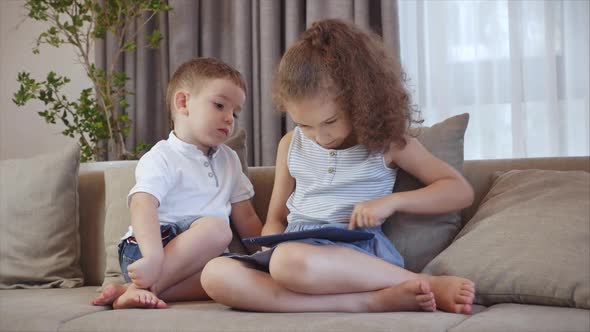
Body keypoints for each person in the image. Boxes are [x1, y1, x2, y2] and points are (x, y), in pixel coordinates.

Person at [200, 19, 476, 314]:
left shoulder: (389, 144)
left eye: (330, 122)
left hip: (352, 255)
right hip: (292, 254)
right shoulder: (289, 145)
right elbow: (277, 217)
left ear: (359, 102)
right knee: (214, 274)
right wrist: (268, 244)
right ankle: (369, 302)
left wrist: (392, 202)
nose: (321, 136)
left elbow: (459, 191)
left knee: (288, 262)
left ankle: (423, 282)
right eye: (305, 125)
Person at [91, 57, 263, 309]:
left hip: (199, 260)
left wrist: (265, 255)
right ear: (183, 103)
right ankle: (144, 282)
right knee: (217, 229)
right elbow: (142, 204)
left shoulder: (230, 160)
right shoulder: (162, 156)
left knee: (230, 274)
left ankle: (134, 291)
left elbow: (246, 217)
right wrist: (153, 257)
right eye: (219, 105)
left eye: (235, 112)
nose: (229, 118)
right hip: (150, 249)